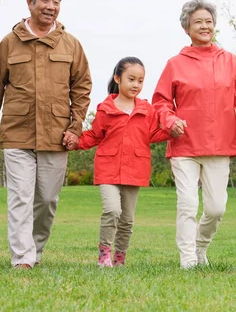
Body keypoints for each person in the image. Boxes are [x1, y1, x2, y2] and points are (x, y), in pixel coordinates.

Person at [0, 0, 92, 269]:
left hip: (56, 136)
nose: (51, 6)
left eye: (56, 1)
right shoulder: (9, 44)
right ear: (30, 2)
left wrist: (75, 126)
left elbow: (82, 89)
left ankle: (35, 250)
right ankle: (23, 259)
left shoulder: (71, 45)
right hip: (17, 134)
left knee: (46, 201)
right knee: (20, 198)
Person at [152, 0, 236, 269]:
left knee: (216, 209)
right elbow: (160, 102)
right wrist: (170, 121)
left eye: (208, 22)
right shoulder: (174, 64)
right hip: (185, 145)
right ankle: (188, 260)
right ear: (186, 28)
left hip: (220, 144)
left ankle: (200, 246)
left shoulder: (229, 61)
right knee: (188, 204)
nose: (204, 26)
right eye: (198, 22)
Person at [70, 57, 170, 267]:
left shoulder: (147, 110)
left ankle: (120, 258)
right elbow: (94, 135)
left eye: (140, 81)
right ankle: (104, 255)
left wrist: (173, 132)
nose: (136, 85)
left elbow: (154, 134)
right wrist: (74, 142)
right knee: (112, 210)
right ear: (118, 78)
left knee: (127, 220)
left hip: (136, 169)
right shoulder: (105, 109)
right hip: (108, 168)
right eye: (131, 79)